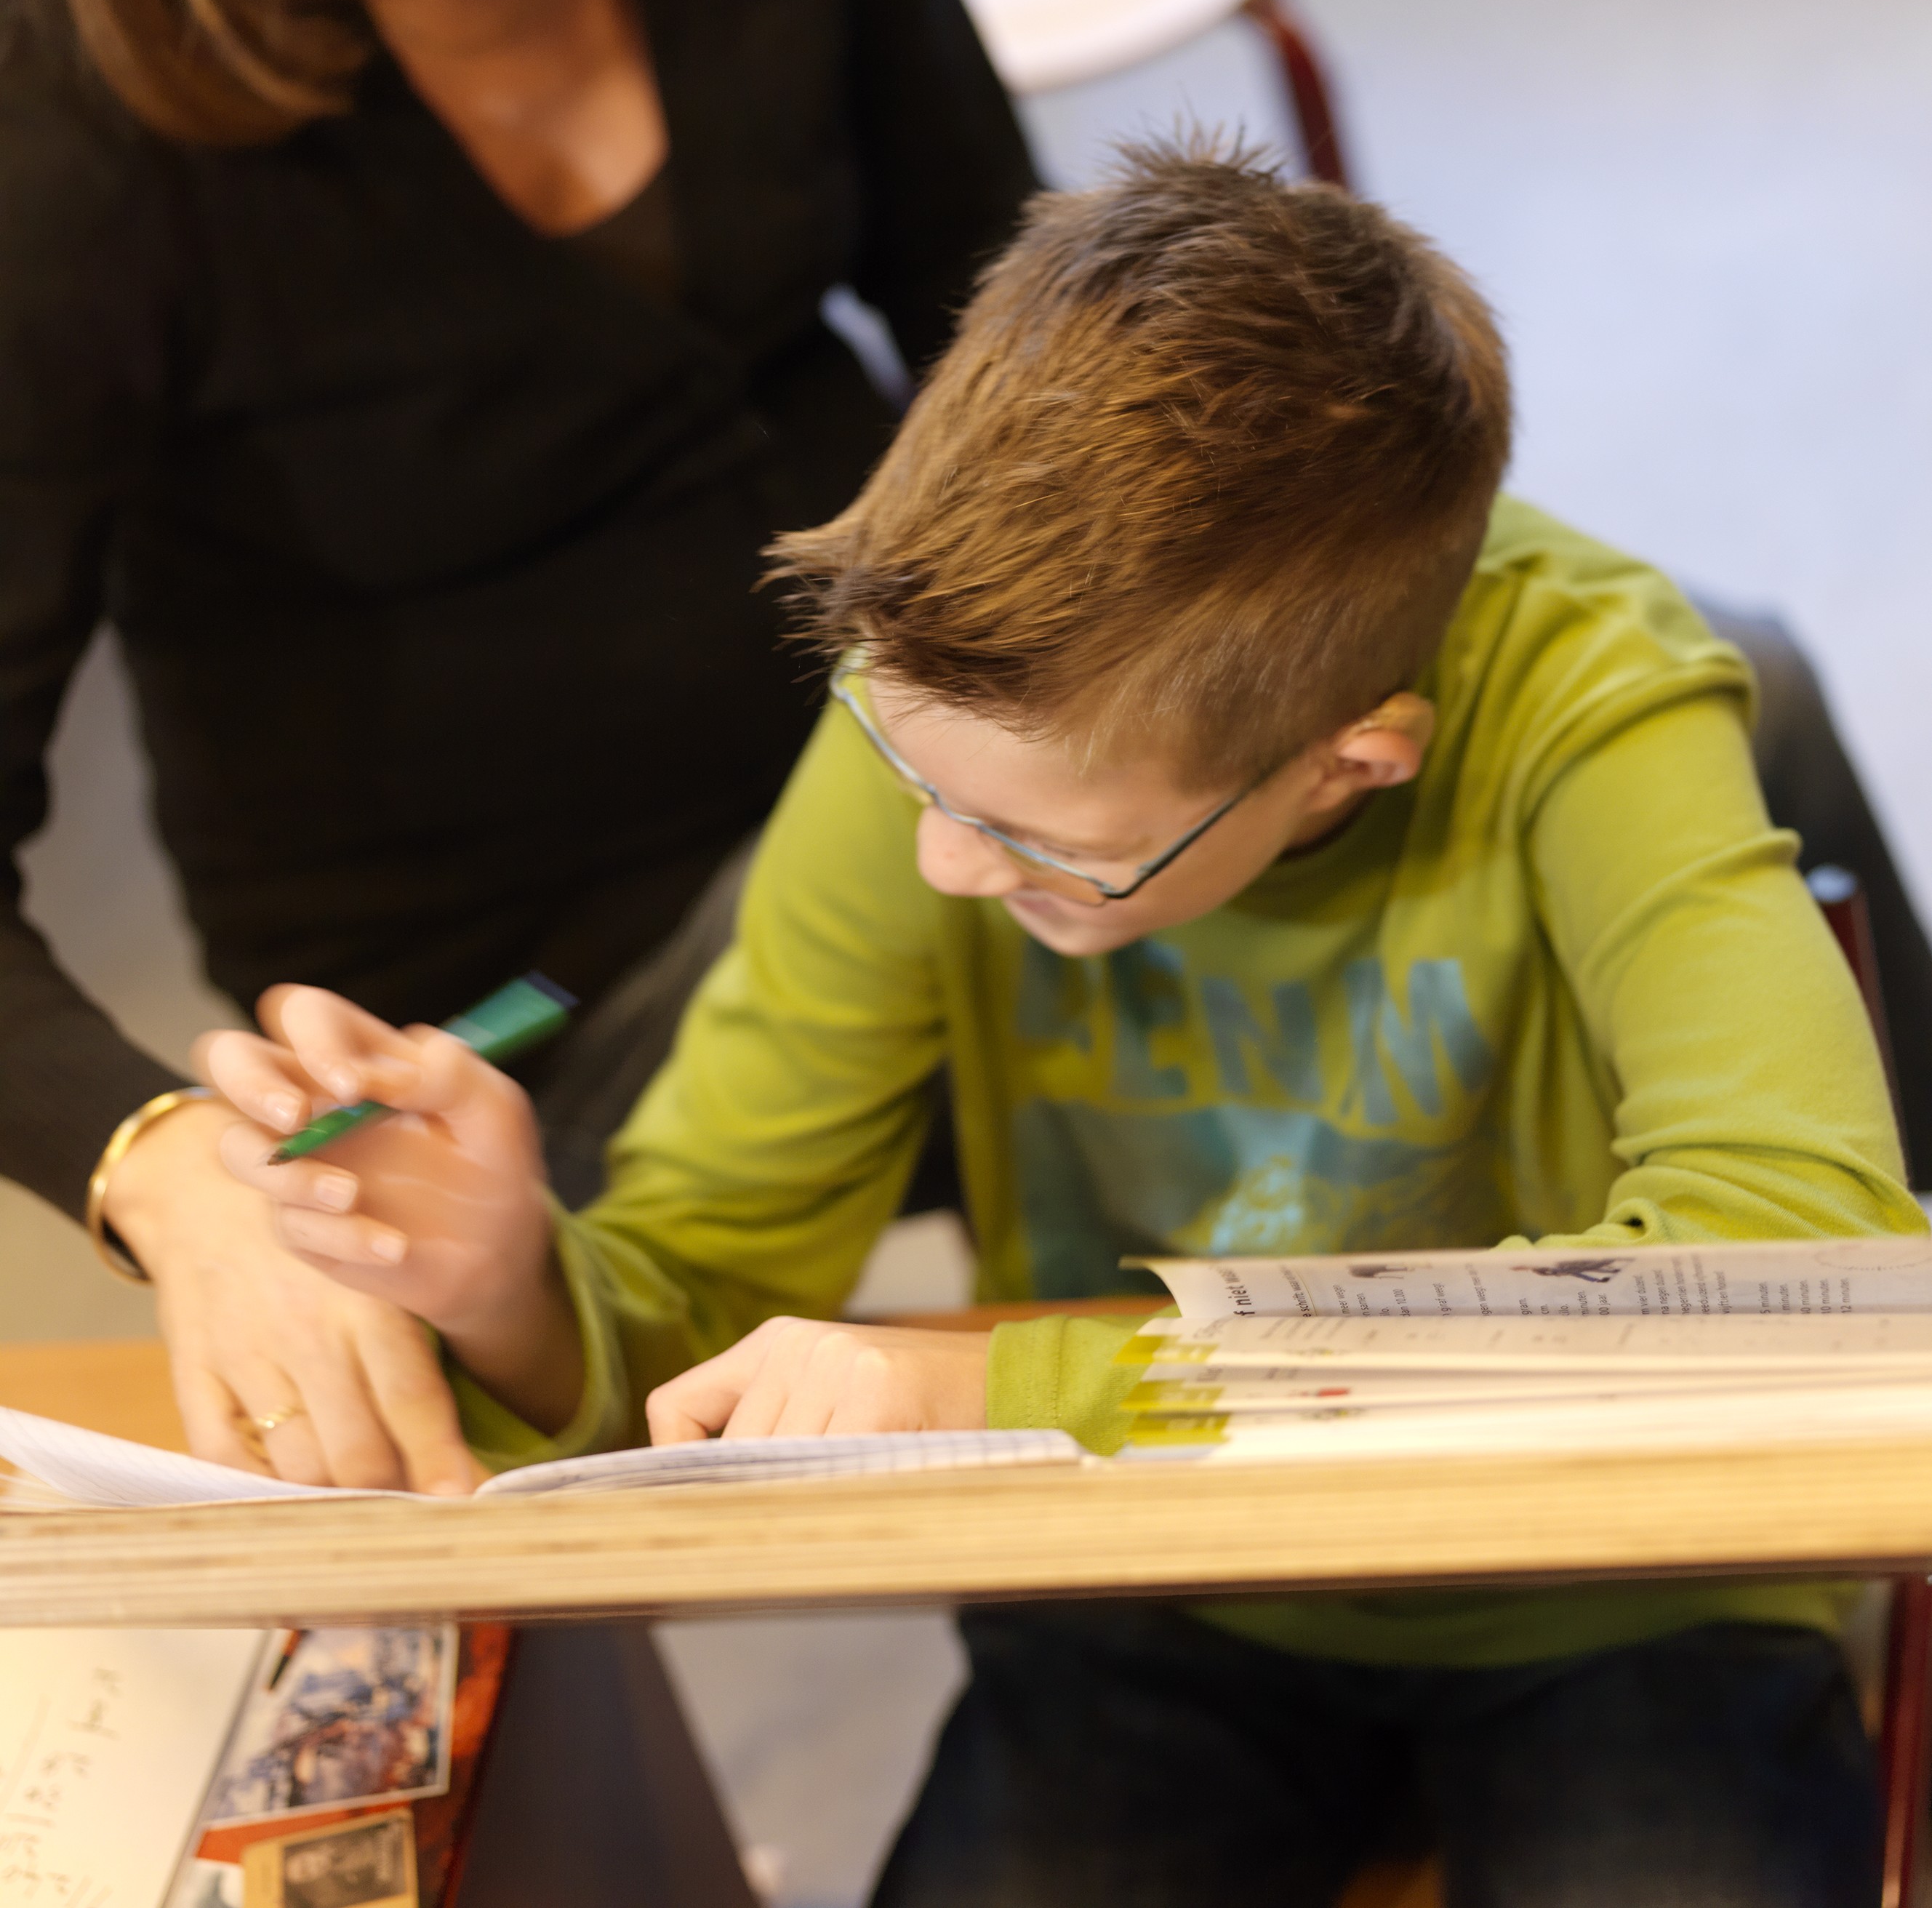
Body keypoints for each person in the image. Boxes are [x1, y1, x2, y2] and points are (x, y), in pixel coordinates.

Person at [215, 144, 1914, 1907]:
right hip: (1155, 1576)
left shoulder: (1595, 700)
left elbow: (1792, 1267)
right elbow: (700, 1282)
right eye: (916, 771)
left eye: (1047, 848)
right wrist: (508, 1278)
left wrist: (1005, 1384)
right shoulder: (956, 715)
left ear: (1357, 756)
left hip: (1623, 1578)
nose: (948, 861)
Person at [0, 0, 1031, 1489]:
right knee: (1369, 970)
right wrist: (162, 1160)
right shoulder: (68, 115)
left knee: (1655, 689)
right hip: (529, 1020)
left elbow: (987, 284)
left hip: (925, 743)